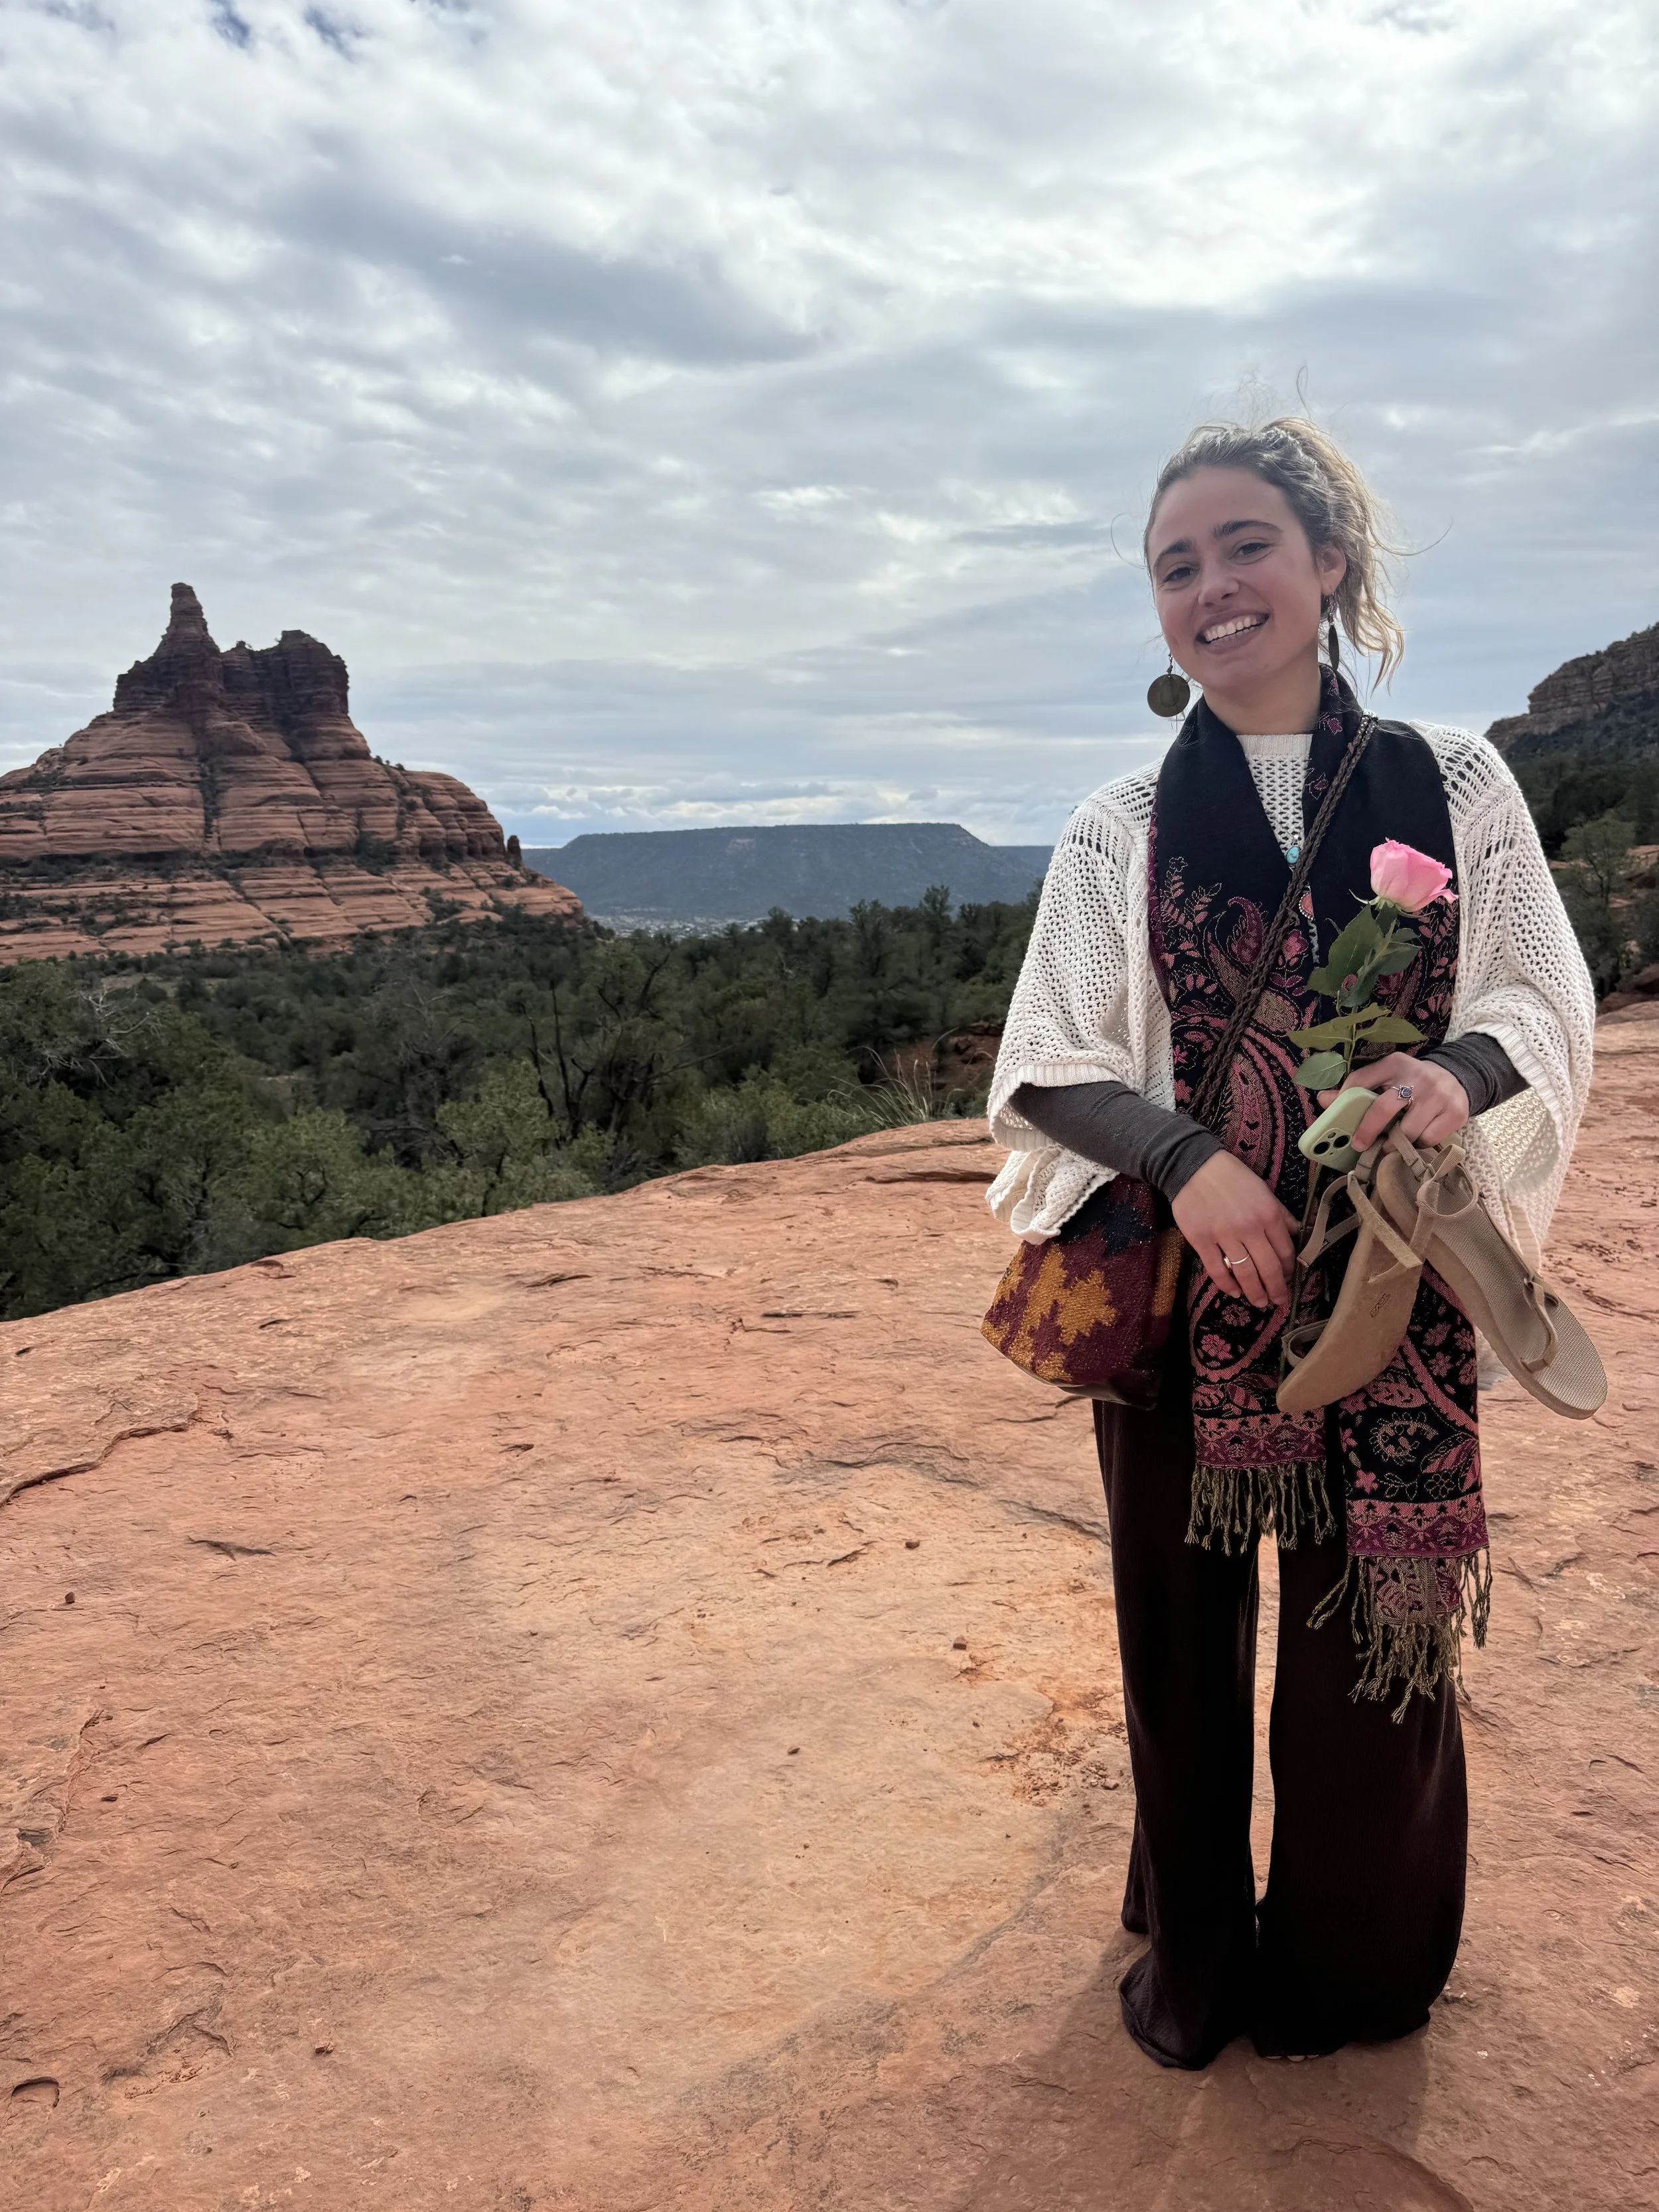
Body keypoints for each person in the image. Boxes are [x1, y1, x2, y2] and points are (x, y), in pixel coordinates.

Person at [984, 418, 1595, 2068]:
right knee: (1176, 1640)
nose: (1210, 587)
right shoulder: (1120, 821)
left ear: (1327, 563)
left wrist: (1454, 1073)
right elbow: (1043, 1055)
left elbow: (1539, 993)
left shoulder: (1451, 779)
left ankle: (1351, 1963)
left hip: (1388, 1289)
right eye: (1173, 566)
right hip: (1193, 1296)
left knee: (1360, 1641)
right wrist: (1185, 1162)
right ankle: (1191, 1956)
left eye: (1243, 545)